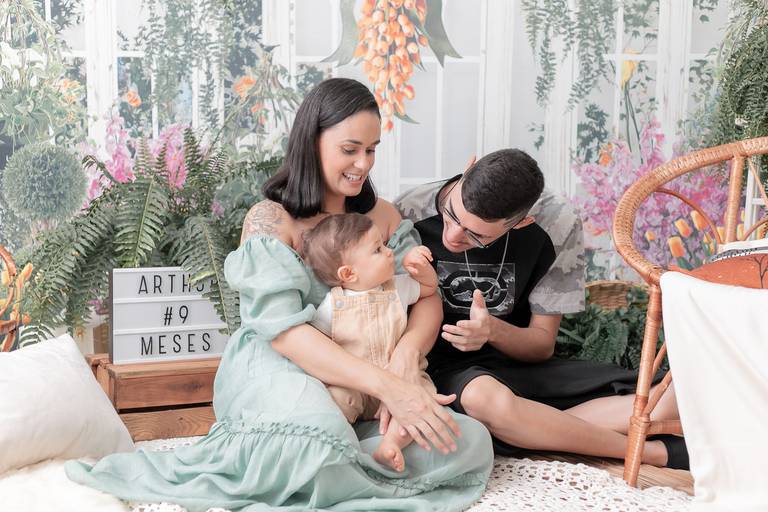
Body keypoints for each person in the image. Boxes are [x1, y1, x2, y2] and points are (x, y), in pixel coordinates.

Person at [66, 78, 493, 511]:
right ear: (311, 142)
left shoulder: (381, 216)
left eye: (371, 149)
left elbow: (425, 298)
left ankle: (353, 455)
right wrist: (386, 386)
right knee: (310, 440)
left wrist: (404, 361)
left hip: (371, 368)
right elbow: (285, 333)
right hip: (284, 365)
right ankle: (335, 452)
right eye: (350, 149)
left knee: (470, 442)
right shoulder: (271, 219)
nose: (363, 164)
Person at [395, 148, 688, 470]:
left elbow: (541, 345)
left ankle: (528, 428)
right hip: (443, 370)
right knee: (487, 400)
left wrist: (492, 330)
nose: (452, 236)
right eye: (451, 214)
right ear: (468, 169)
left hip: (518, 368)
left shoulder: (556, 223)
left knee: (671, 399)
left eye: (476, 236)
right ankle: (650, 453)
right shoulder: (408, 210)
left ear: (523, 222)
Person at [303, 212, 439, 472]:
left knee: (423, 400)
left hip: (400, 377)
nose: (390, 253)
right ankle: (335, 447)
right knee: (333, 401)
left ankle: (391, 444)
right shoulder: (333, 304)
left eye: (384, 245)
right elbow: (320, 344)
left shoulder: (398, 287)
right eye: (378, 249)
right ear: (348, 273)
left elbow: (429, 289)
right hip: (354, 384)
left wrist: (421, 269)